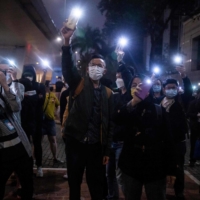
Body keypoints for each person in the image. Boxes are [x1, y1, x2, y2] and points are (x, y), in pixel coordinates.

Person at [61, 26, 113, 200]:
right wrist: (67, 42)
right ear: (87, 68)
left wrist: (106, 150)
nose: (96, 68)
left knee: (96, 186)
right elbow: (67, 69)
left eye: (99, 66)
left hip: (96, 148)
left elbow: (109, 124)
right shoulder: (79, 84)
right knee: (74, 185)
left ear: (104, 71)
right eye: (93, 65)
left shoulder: (108, 93)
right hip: (76, 144)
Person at [113, 74, 176, 200]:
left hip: (155, 166)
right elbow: (117, 121)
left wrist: (171, 169)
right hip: (130, 165)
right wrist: (134, 102)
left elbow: (169, 140)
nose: (137, 88)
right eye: (134, 85)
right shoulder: (126, 107)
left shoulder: (159, 109)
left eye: (142, 85)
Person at [0, 65, 33, 200]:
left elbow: (16, 106)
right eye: (1, 71)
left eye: (5, 71)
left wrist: (7, 85)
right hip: (2, 151)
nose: (3, 74)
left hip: (20, 146)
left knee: (28, 185)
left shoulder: (9, 89)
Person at [161, 66, 192, 200]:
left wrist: (184, 76)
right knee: (161, 167)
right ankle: (161, 191)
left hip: (178, 142)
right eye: (168, 87)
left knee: (178, 168)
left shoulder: (180, 101)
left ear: (177, 89)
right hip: (162, 142)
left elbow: (189, 92)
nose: (171, 90)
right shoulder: (159, 103)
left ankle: (179, 192)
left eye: (174, 87)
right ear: (164, 89)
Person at [106, 63, 133, 199]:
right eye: (116, 77)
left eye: (120, 77)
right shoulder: (115, 96)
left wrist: (122, 63)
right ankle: (112, 196)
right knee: (109, 174)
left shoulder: (131, 97)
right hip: (111, 141)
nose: (118, 79)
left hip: (123, 142)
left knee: (120, 175)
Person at [22, 65, 46, 177]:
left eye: (30, 75)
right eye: (26, 75)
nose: (28, 77)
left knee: (37, 144)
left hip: (37, 120)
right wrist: (35, 97)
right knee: (24, 145)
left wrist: (26, 97)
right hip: (24, 120)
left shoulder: (40, 86)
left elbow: (41, 101)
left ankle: (39, 167)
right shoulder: (20, 85)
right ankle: (25, 167)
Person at [43, 85, 63, 163]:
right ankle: (34, 159)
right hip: (41, 121)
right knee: (38, 141)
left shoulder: (52, 95)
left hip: (50, 121)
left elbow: (58, 104)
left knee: (53, 140)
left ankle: (55, 158)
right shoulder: (40, 95)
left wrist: (56, 112)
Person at [187, 88, 200, 167]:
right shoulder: (193, 103)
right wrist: (196, 115)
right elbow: (188, 114)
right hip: (195, 126)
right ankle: (192, 160)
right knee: (194, 143)